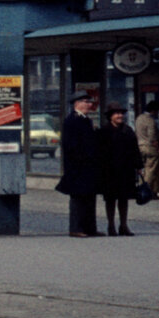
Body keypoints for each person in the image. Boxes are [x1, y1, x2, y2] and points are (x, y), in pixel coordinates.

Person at [56, 91, 102, 237]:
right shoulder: (72, 120)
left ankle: (90, 228)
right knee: (78, 198)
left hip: (88, 166)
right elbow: (70, 145)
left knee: (89, 197)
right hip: (77, 166)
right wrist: (81, 159)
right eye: (86, 102)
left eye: (90, 102)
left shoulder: (86, 120)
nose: (89, 105)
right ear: (77, 104)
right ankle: (76, 228)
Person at [97, 103, 141, 236]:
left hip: (125, 170)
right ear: (110, 116)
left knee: (124, 198)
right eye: (116, 113)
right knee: (110, 199)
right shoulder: (104, 131)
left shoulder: (127, 130)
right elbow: (99, 152)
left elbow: (135, 150)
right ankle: (111, 226)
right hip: (109, 170)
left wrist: (139, 166)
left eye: (121, 113)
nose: (120, 116)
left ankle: (123, 225)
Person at [135, 99, 159, 198]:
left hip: (140, 146)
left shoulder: (139, 118)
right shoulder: (151, 121)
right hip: (149, 147)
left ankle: (141, 189)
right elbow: (152, 137)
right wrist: (157, 147)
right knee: (151, 170)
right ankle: (147, 190)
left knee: (143, 170)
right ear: (154, 110)